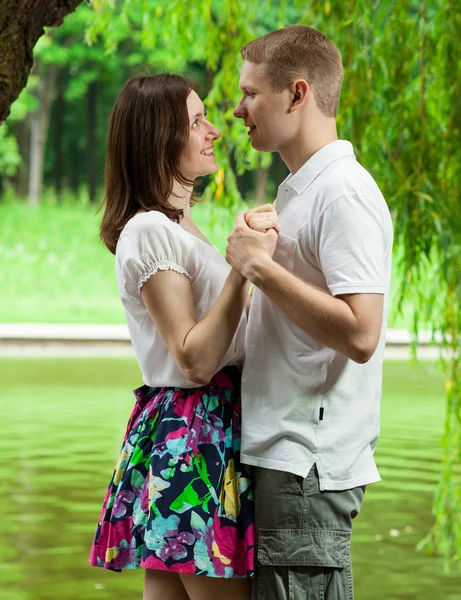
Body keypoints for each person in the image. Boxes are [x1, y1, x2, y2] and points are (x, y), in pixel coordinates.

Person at [88, 73, 279, 600]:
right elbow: (195, 358)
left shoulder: (177, 228)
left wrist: (244, 252)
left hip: (191, 432)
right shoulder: (150, 230)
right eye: (196, 122)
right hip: (196, 435)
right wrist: (244, 267)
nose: (214, 130)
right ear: (158, 139)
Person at [226, 25, 394, 600]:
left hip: (308, 470)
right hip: (283, 460)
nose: (237, 109)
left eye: (251, 94)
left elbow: (363, 333)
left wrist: (261, 269)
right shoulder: (302, 188)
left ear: (297, 94)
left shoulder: (344, 192)